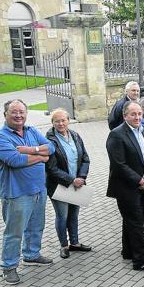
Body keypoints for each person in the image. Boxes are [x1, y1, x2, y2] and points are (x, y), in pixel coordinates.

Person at [0, 99, 55, 285]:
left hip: (38, 190)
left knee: (36, 226)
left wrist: (31, 150)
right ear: (5, 115)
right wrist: (41, 157)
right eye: (14, 112)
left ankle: (31, 255)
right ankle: (8, 267)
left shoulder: (31, 130)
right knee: (14, 232)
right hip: (16, 193)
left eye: (22, 112)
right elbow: (15, 160)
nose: (18, 115)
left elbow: (51, 147)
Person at [106, 101, 144, 271]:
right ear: (125, 116)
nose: (137, 117)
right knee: (136, 223)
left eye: (139, 113)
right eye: (133, 114)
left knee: (129, 221)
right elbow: (119, 164)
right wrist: (140, 180)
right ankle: (141, 260)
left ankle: (128, 251)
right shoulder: (117, 135)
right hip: (126, 188)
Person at [45, 108, 91, 259]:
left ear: (68, 120)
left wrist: (81, 177)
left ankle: (75, 243)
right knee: (62, 216)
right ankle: (64, 245)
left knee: (74, 214)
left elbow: (85, 158)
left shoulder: (75, 136)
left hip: (77, 183)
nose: (60, 123)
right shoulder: (49, 140)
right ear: (52, 123)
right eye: (57, 121)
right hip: (59, 185)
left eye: (63, 120)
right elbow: (51, 169)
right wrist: (72, 180)